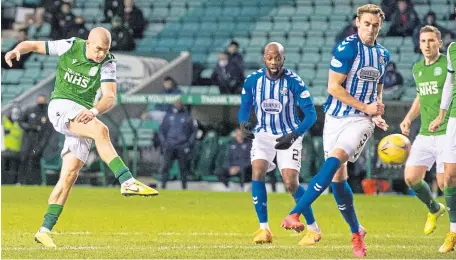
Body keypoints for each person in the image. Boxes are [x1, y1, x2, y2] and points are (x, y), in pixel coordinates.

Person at [4, 27, 159, 248]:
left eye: (105, 50)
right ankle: (126, 181)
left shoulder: (107, 63)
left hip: (84, 113)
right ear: (88, 43)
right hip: (61, 106)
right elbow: (34, 45)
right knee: (101, 131)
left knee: (69, 177)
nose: (101, 54)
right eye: (98, 49)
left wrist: (94, 111)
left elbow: (109, 97)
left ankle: (44, 230)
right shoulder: (70, 46)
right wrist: (17, 49)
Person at [280, 5, 390, 258]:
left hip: (361, 120)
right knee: (339, 182)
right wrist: (368, 106)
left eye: (375, 25)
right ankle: (356, 231)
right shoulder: (347, 48)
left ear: (380, 26)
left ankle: (295, 213)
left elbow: (378, 84)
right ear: (357, 22)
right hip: (335, 117)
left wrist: (376, 112)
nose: (371, 29)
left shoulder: (383, 55)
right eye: (366, 24)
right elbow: (333, 87)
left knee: (334, 160)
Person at [238, 42, 320, 245]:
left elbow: (311, 115)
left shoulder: (294, 82)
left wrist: (294, 135)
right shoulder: (253, 81)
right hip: (263, 134)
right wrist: (243, 122)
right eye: (269, 57)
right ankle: (263, 229)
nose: (273, 62)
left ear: (284, 59)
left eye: (277, 58)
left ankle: (313, 229)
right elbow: (244, 106)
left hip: (289, 134)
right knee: (257, 171)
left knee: (291, 182)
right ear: (264, 58)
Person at [400, 26, 448, 236]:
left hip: (448, 131)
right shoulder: (418, 68)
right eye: (423, 41)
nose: (427, 45)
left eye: (431, 41)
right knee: (411, 178)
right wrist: (408, 118)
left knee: (446, 184)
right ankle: (434, 209)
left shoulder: (449, 64)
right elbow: (421, 97)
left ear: (440, 43)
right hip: (426, 134)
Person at [429, 41, 456, 253]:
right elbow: (449, 81)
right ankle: (454, 232)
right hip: (454, 119)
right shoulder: (452, 48)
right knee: (449, 176)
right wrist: (441, 115)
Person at [158, 99, 197, 190]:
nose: (178, 104)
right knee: (166, 167)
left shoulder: (187, 116)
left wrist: (188, 144)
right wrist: (164, 142)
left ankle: (184, 187)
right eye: (177, 103)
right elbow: (161, 130)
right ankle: (163, 186)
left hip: (182, 146)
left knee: (183, 168)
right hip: (170, 145)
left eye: (180, 103)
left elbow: (193, 132)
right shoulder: (168, 116)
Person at [17, 94, 53, 185]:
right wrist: (30, 127)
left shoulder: (47, 112)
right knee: (24, 159)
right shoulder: (30, 110)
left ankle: (36, 182)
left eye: (42, 99)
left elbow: (48, 131)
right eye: (39, 99)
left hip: (39, 142)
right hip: (27, 141)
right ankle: (20, 181)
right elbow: (20, 121)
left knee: (35, 162)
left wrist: (41, 145)